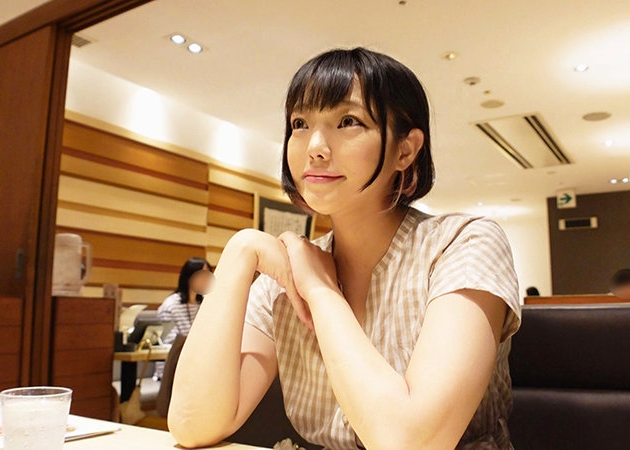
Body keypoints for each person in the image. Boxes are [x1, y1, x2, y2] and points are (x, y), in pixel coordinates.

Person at [169, 48, 521, 449]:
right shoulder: (286, 272)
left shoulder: (463, 244)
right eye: (300, 124)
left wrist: (320, 290)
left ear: (405, 150)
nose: (315, 146)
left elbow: (411, 443)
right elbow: (193, 424)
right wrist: (240, 250)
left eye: (348, 121)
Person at [153, 257, 214, 380]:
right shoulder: (170, 305)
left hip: (199, 365)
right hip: (172, 368)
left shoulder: (204, 304)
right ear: (189, 277)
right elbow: (169, 342)